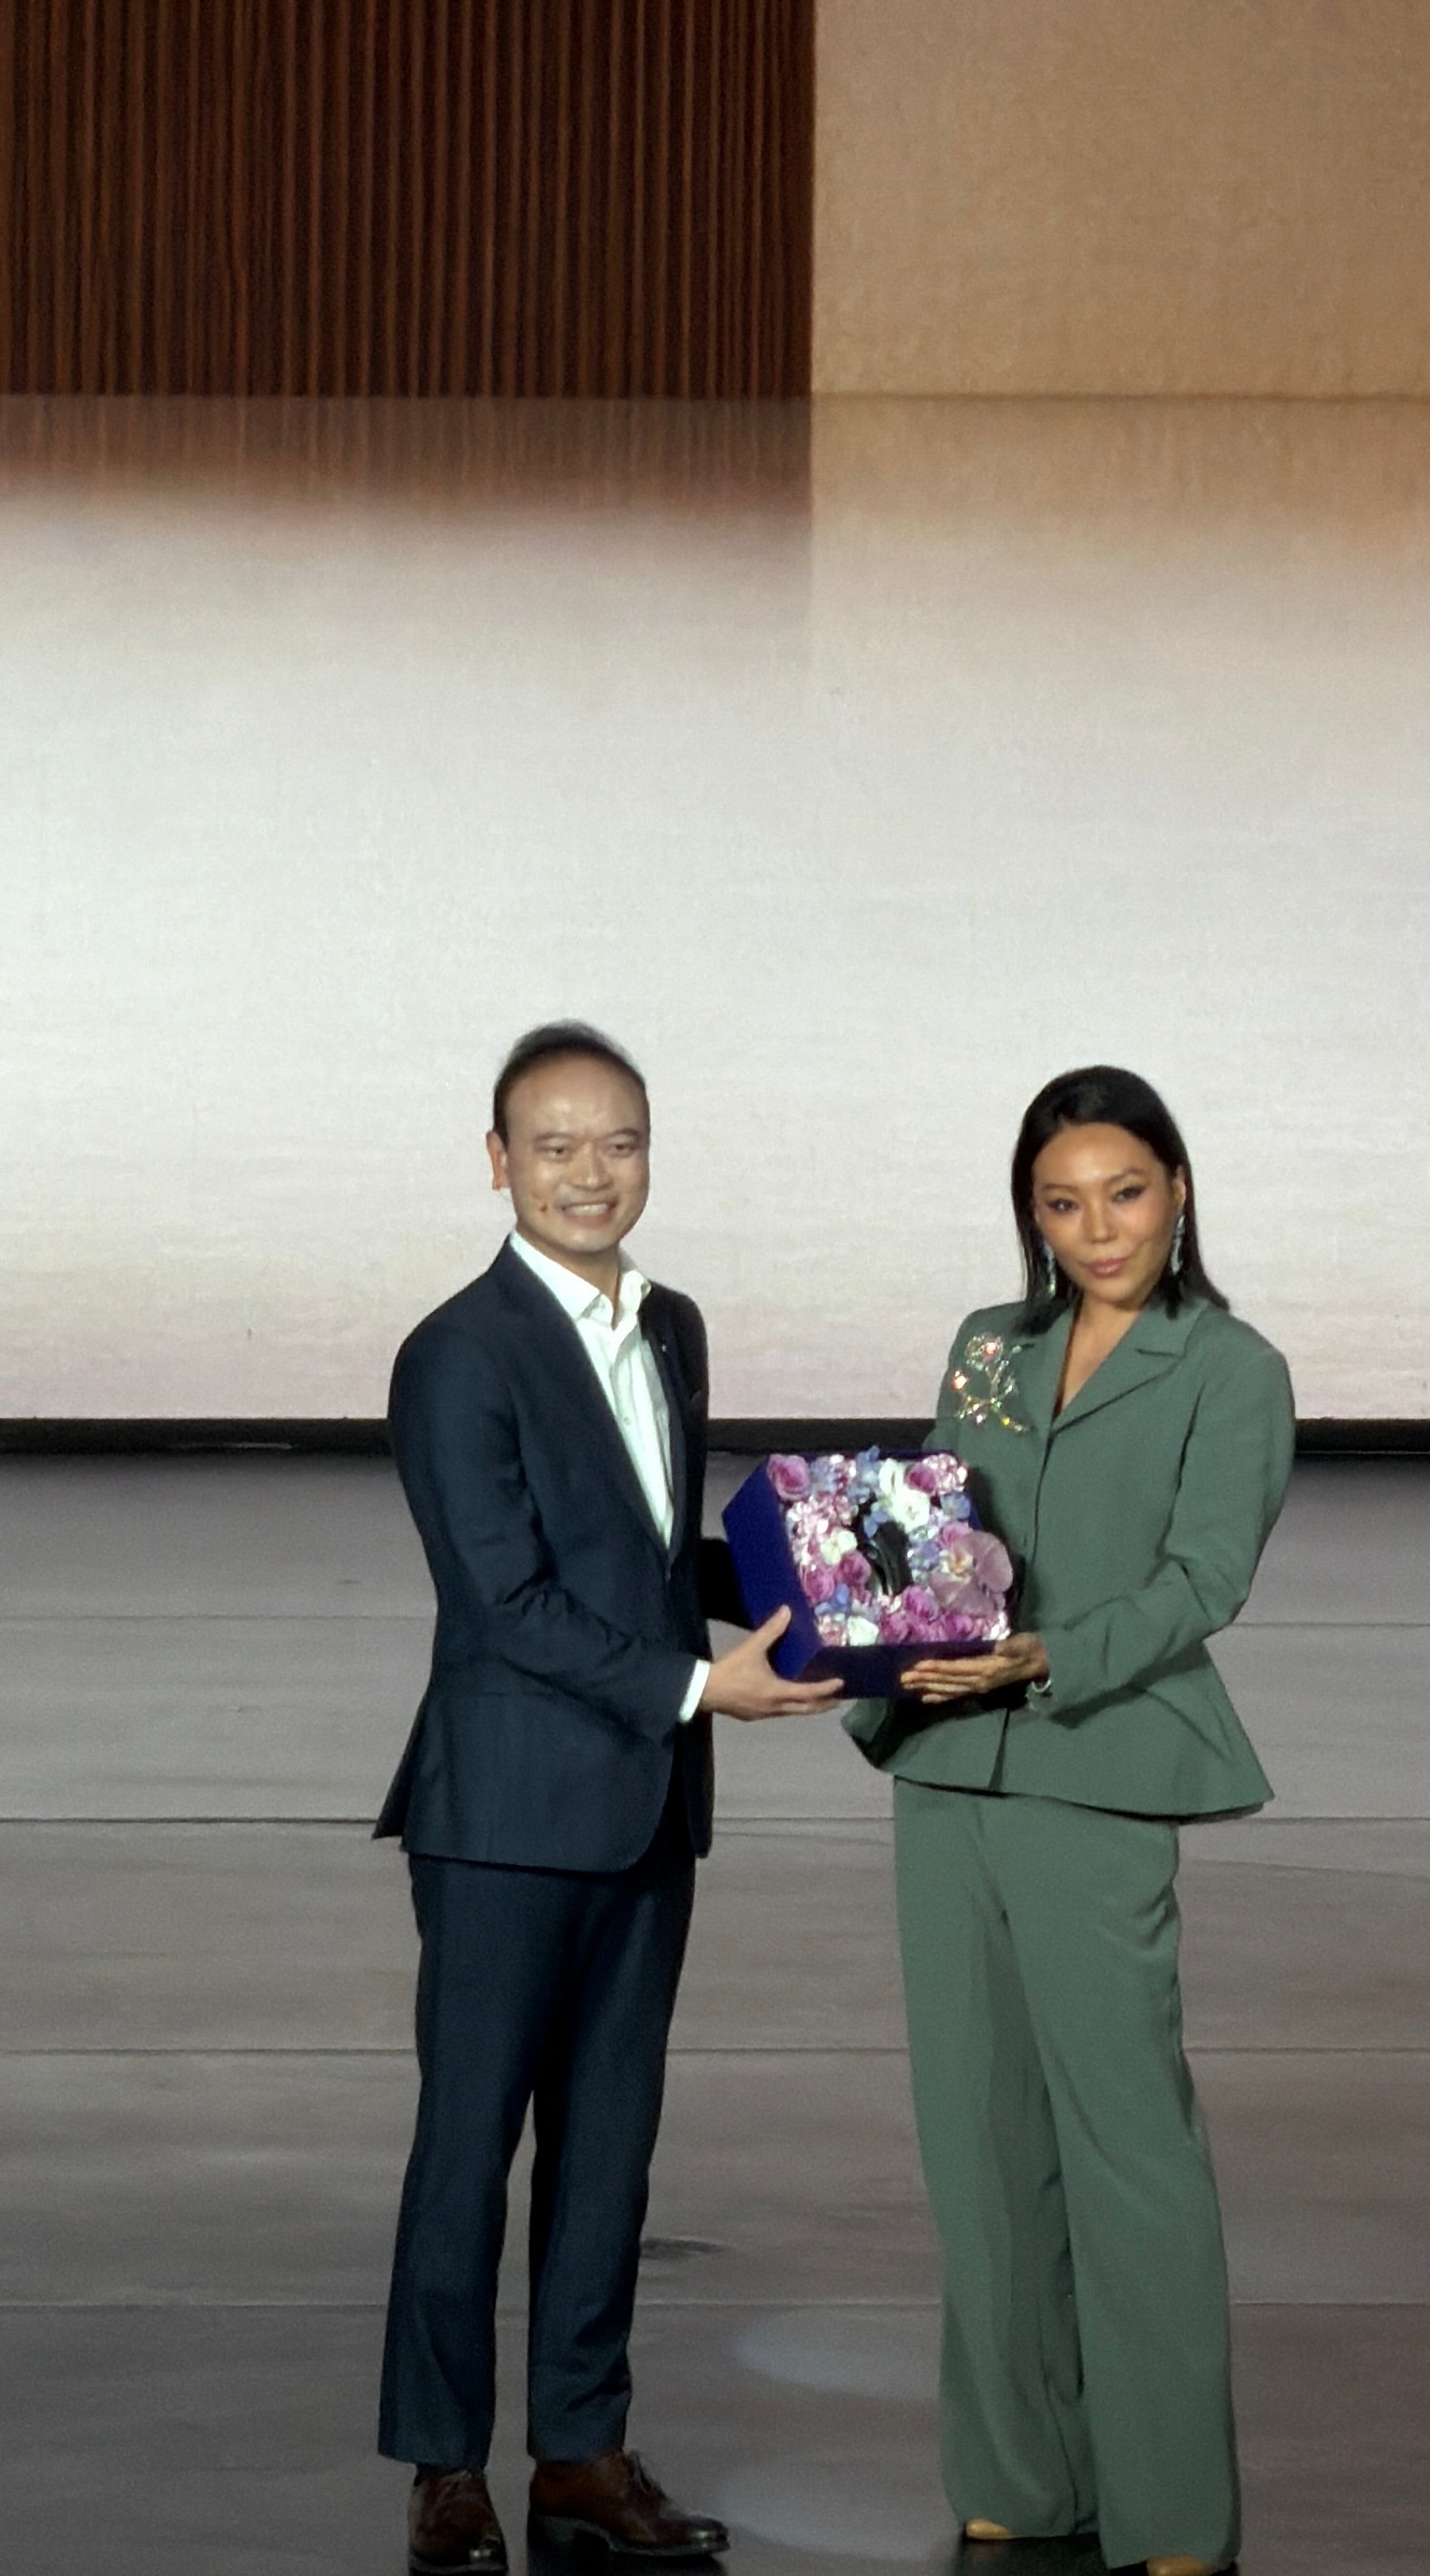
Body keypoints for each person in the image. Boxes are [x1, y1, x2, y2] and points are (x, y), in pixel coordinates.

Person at [376, 1023, 840, 2576]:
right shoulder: (457, 1353)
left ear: (650, 1153)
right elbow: (503, 1598)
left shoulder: (673, 1326)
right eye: (556, 1145)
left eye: (619, 1143)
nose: (591, 1173)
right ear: (498, 1162)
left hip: (643, 1807)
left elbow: (643, 1558)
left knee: (609, 2152)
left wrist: (832, 1590)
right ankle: (445, 2466)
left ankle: (581, 2448)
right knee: (468, 2148)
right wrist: (706, 1687)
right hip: (506, 1818)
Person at [850, 1065, 1295, 2576]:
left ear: (1178, 1193)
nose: (1098, 1229)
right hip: (945, 1772)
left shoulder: (1229, 1369)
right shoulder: (990, 1345)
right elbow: (936, 1535)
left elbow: (1204, 1578)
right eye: (1062, 1203)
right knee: (976, 2141)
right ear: (1030, 1216)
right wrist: (856, 1608)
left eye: (1125, 1193)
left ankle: (1171, 2507)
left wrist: (1050, 1656)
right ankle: (1022, 2473)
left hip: (1096, 1767)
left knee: (1127, 2147)